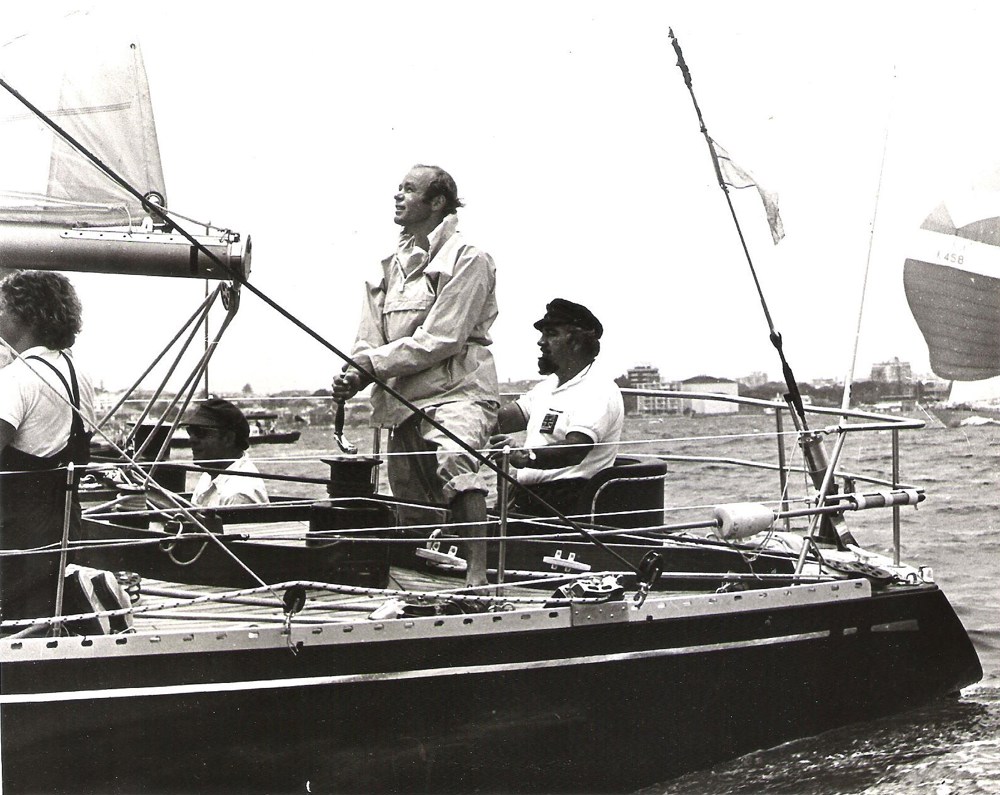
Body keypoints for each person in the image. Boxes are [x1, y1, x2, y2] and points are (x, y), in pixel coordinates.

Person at [332, 164, 499, 588]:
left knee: (456, 460)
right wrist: (355, 373)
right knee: (409, 492)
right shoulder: (387, 267)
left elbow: (444, 336)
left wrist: (372, 366)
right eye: (398, 188)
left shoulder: (469, 258)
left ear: (437, 201)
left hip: (458, 391)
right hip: (403, 398)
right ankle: (423, 579)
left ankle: (478, 575)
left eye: (408, 189)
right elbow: (369, 337)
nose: (397, 195)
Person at [0, 270, 96, 621]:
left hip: (15, 532)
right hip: (65, 524)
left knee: (12, 624)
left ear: (25, 314)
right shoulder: (77, 373)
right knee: (46, 616)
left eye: (1, 308)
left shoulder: (15, 379)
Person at [490, 298, 623, 517]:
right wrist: (465, 414)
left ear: (576, 342)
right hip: (529, 498)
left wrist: (525, 456)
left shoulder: (598, 389)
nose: (541, 342)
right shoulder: (548, 387)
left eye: (551, 334)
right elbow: (505, 419)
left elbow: (575, 450)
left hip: (566, 504)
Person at [183, 398, 269, 507]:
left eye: (200, 432)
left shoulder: (238, 494)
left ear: (228, 439)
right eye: (190, 431)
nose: (191, 440)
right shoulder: (210, 474)